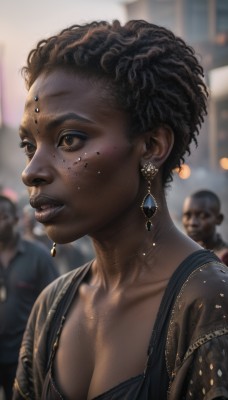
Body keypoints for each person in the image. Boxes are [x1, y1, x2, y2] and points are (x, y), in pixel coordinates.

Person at [13, 20, 228, 400]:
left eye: (69, 139)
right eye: (30, 146)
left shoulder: (210, 305)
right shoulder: (50, 307)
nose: (32, 171)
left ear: (151, 146)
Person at [0, 195, 59, 400]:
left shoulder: (38, 257)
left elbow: (56, 303)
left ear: (15, 219)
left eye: (3, 216)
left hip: (23, 356)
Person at [20, 203, 95, 274]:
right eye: (26, 217)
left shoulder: (51, 237)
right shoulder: (26, 239)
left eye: (30, 218)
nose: (28, 221)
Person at [182, 189, 228, 265]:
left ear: (219, 219)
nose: (192, 222)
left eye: (202, 216)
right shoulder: (182, 253)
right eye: (188, 215)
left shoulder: (225, 259)